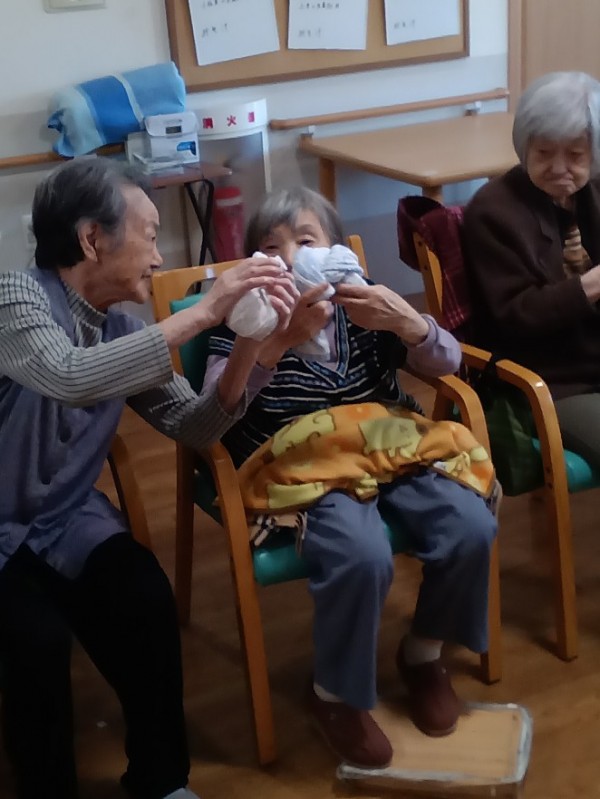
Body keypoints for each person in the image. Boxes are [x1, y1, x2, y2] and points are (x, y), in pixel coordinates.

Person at [0, 157, 297, 799]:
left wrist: (252, 343)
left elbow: (195, 426)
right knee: (34, 644)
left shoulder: (124, 330)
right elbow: (69, 375)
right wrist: (206, 309)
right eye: (151, 235)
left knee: (144, 599)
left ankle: (161, 781)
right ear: (91, 239)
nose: (159, 257)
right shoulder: (15, 297)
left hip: (64, 520)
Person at [202, 187, 498, 769]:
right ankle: (334, 694)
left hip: (390, 444)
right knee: (361, 555)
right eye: (272, 248)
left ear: (336, 251)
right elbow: (219, 404)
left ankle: (423, 653)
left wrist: (409, 322)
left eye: (306, 241)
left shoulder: (364, 303)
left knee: (470, 526)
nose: (291, 258)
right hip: (303, 463)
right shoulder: (247, 316)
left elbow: (447, 364)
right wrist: (275, 341)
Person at [463, 70, 600, 469]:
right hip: (550, 379)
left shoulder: (594, 190)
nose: (559, 168)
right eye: (544, 153)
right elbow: (515, 315)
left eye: (575, 156)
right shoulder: (493, 211)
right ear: (524, 147)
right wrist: (591, 285)